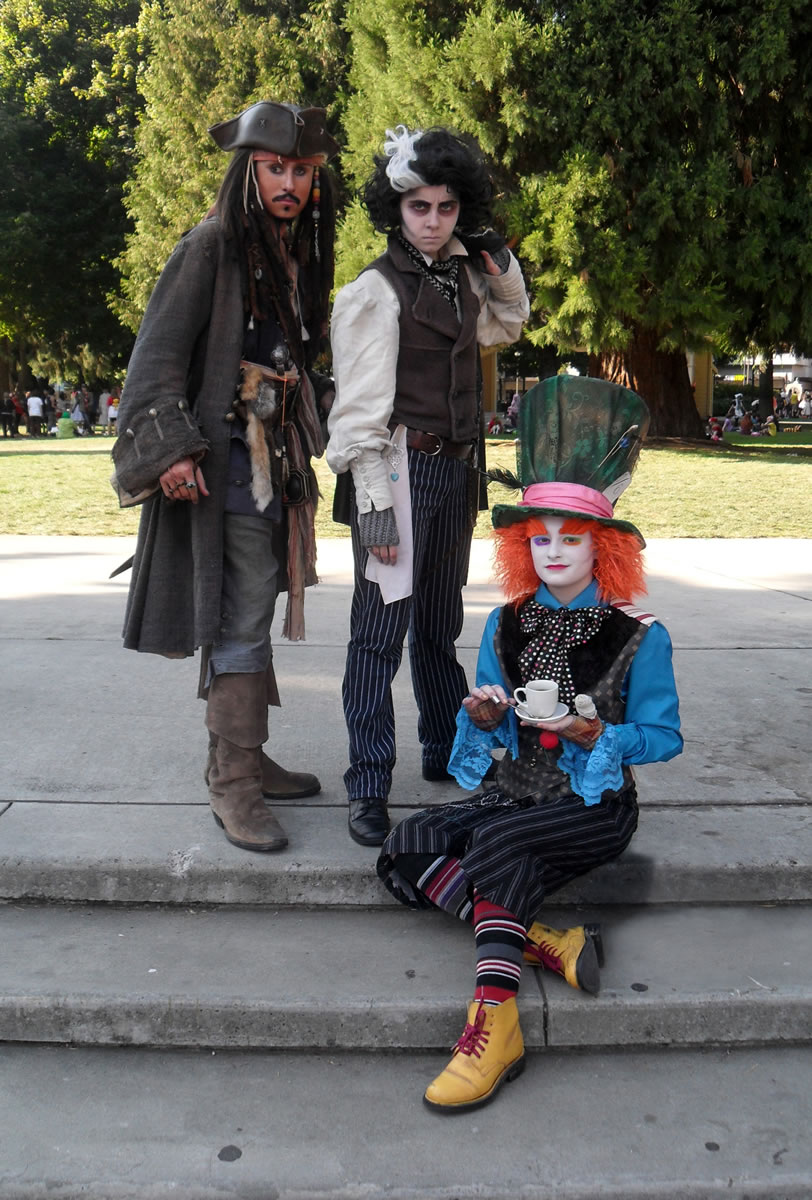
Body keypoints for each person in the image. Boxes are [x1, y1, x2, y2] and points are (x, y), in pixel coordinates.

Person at [376, 376, 683, 1112]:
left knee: (496, 852)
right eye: (537, 538)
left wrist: (599, 733)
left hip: (593, 800)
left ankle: (495, 1022)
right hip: (514, 788)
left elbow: (665, 738)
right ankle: (543, 940)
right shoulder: (504, 623)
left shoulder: (642, 637)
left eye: (570, 539)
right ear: (520, 545)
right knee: (406, 844)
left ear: (602, 547)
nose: (552, 552)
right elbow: (492, 718)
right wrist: (483, 719)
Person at [112, 100, 339, 853]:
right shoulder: (210, 246)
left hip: (280, 471)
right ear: (248, 171)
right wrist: (172, 449)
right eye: (276, 167)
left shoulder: (297, 257)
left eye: (302, 171)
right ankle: (232, 781)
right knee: (241, 618)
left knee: (253, 610)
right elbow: (153, 364)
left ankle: (247, 755)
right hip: (228, 472)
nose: (290, 183)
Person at [328, 125, 529, 846]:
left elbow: (510, 320)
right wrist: (377, 516)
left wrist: (497, 258)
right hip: (396, 472)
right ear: (397, 208)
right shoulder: (371, 294)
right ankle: (368, 784)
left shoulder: (467, 275)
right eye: (420, 208)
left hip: (455, 469)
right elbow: (354, 419)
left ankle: (447, 753)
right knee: (378, 638)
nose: (434, 221)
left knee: (439, 628)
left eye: (446, 208)